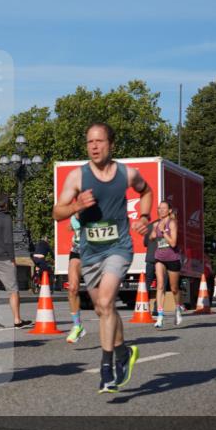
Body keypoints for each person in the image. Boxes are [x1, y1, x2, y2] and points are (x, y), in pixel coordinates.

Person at [53, 123, 153, 393]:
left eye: (99, 141)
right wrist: (76, 205)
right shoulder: (77, 177)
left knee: (107, 301)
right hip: (90, 252)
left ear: (111, 144)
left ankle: (106, 368)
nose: (94, 146)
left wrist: (143, 217)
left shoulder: (126, 174)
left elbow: (146, 191)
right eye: (89, 142)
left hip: (118, 247)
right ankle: (124, 353)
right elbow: (57, 212)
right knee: (102, 309)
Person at [0, 193, 29, 329]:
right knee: (13, 290)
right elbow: (8, 240)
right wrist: (12, 258)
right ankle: (17, 320)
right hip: (3, 258)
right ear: (5, 204)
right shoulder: (6, 217)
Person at [150, 201, 182, 328]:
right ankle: (160, 316)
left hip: (173, 258)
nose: (161, 210)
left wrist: (163, 232)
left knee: (174, 289)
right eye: (159, 208)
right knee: (160, 285)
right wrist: (153, 235)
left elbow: (173, 243)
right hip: (160, 258)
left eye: (164, 208)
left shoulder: (172, 223)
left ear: (169, 210)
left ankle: (178, 309)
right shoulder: (157, 224)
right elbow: (152, 238)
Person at [66, 214, 85, 343]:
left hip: (94, 254)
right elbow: (69, 227)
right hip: (76, 252)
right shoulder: (74, 218)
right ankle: (77, 326)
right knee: (72, 288)